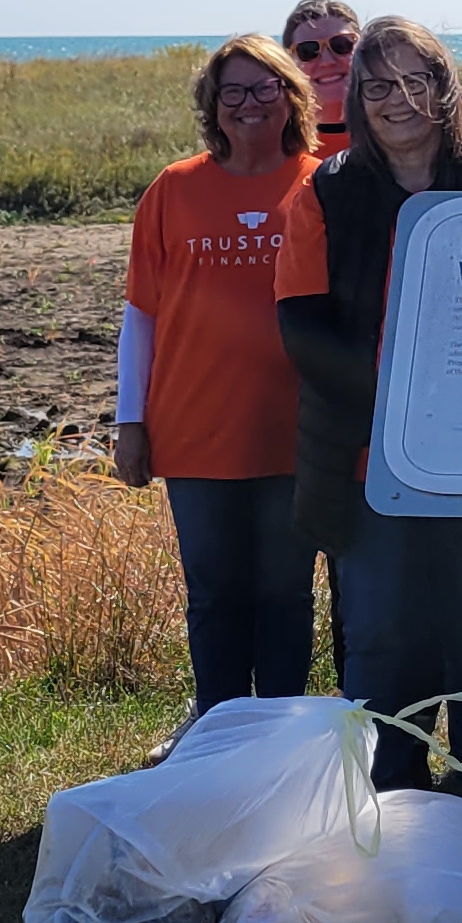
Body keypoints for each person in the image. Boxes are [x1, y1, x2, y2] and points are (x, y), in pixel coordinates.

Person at [276, 16, 462, 796]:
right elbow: (302, 331)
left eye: (418, 81)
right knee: (383, 636)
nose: (398, 100)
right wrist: (401, 413)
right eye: (378, 84)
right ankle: (386, 800)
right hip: (364, 460)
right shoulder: (324, 192)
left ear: (447, 91)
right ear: (355, 96)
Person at [116, 36, 325, 729]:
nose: (250, 104)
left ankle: (280, 741)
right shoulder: (175, 189)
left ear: (292, 98)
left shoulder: (322, 183)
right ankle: (219, 736)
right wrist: (130, 421)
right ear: (212, 106)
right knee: (213, 596)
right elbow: (141, 316)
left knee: (287, 595)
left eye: (266, 88)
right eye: (232, 91)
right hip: (196, 432)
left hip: (296, 432)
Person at [281, 0, 360, 153]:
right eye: (308, 51)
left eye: (341, 44)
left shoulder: (401, 130)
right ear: (290, 63)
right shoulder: (278, 147)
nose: (327, 61)